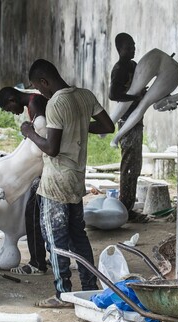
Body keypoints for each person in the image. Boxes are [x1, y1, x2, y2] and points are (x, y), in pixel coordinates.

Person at [20, 59, 115, 308]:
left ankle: (63, 295)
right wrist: (80, 127)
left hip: (55, 182)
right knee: (78, 236)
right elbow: (108, 125)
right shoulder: (85, 96)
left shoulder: (56, 103)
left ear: (44, 81)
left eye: (39, 88)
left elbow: (51, 148)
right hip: (76, 179)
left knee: (55, 240)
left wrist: (29, 133)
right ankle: (90, 289)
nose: (40, 93)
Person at [0, 87, 50, 275]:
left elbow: (45, 142)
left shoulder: (35, 103)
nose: (13, 112)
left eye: (9, 108)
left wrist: (28, 132)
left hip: (46, 171)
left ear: (12, 99)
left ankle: (37, 263)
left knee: (33, 215)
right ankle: (49, 258)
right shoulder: (34, 104)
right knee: (41, 216)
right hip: (43, 170)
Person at [109, 33, 148, 223]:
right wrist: (135, 97)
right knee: (129, 166)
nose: (133, 49)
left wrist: (144, 93)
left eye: (133, 45)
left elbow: (139, 87)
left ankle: (128, 206)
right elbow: (113, 94)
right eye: (128, 47)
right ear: (119, 49)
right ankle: (125, 208)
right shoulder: (120, 68)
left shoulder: (133, 66)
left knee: (135, 166)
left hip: (136, 120)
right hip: (126, 122)